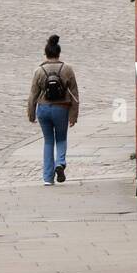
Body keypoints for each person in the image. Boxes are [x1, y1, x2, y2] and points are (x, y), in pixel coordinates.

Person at [27, 34, 79, 185]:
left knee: (48, 141)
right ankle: (60, 163)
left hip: (43, 109)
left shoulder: (39, 71)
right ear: (58, 53)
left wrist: (31, 114)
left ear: (46, 53)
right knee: (61, 138)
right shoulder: (67, 69)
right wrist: (73, 115)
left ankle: (48, 178)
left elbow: (32, 95)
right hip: (61, 109)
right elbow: (74, 94)